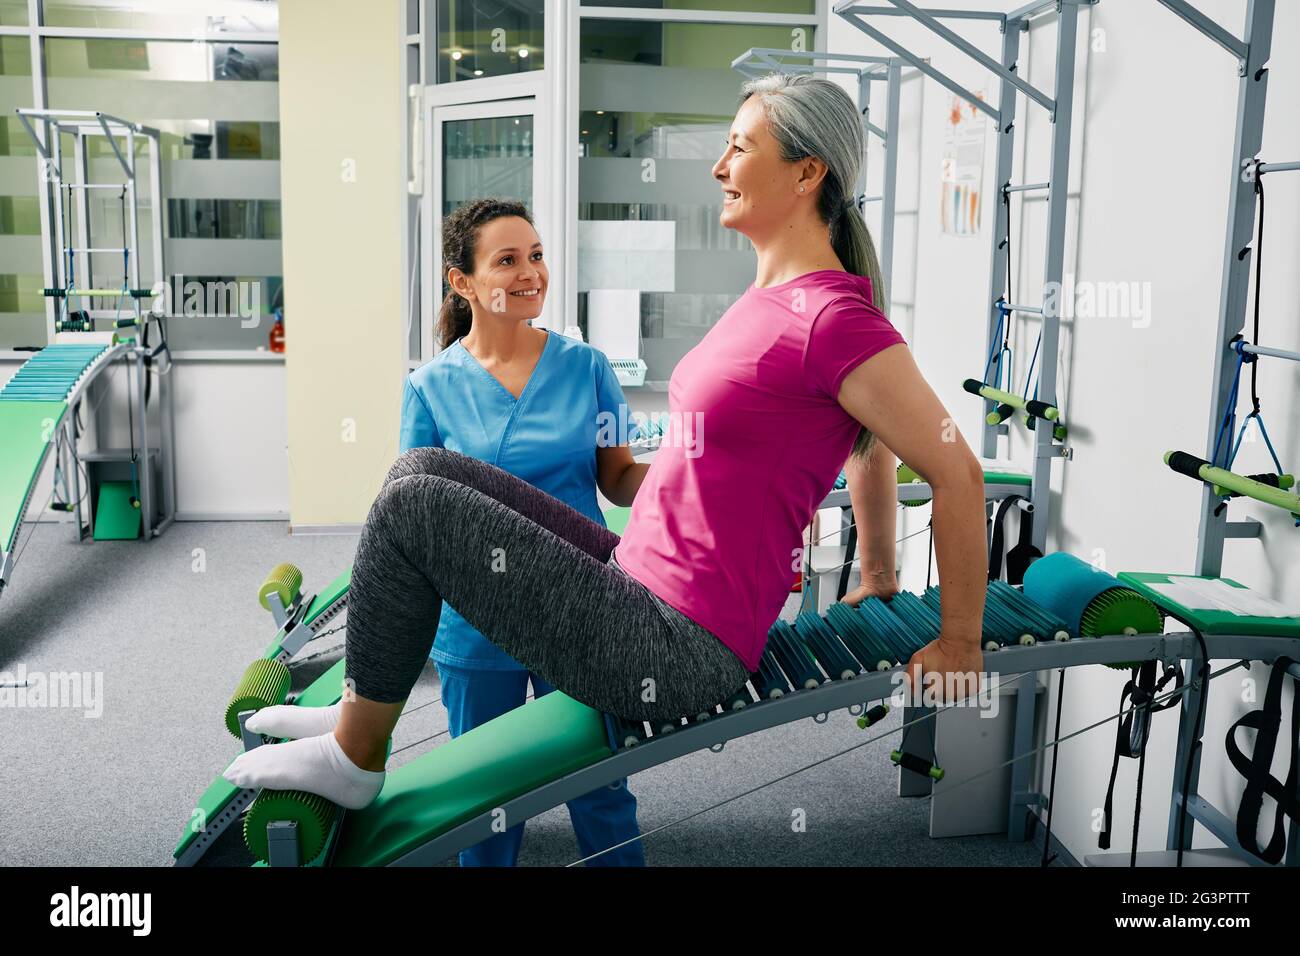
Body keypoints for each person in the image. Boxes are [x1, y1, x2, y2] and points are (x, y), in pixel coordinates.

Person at [225, 73, 989, 823]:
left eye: (740, 147)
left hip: (677, 640)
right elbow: (869, 444)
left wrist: (960, 640)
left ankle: (356, 757)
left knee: (417, 510)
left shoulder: (832, 316)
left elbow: (954, 468)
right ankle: (358, 711)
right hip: (634, 579)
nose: (720, 167)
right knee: (418, 473)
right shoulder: (771, 300)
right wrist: (880, 571)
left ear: (806, 171)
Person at [398, 197, 645, 866]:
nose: (530, 272)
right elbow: (414, 519)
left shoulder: (586, 367)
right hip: (478, 617)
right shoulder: (429, 387)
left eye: (536, 255)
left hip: (579, 604)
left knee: (600, 782)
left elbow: (617, 475)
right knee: (487, 799)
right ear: (463, 282)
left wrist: (695, 478)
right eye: (507, 260)